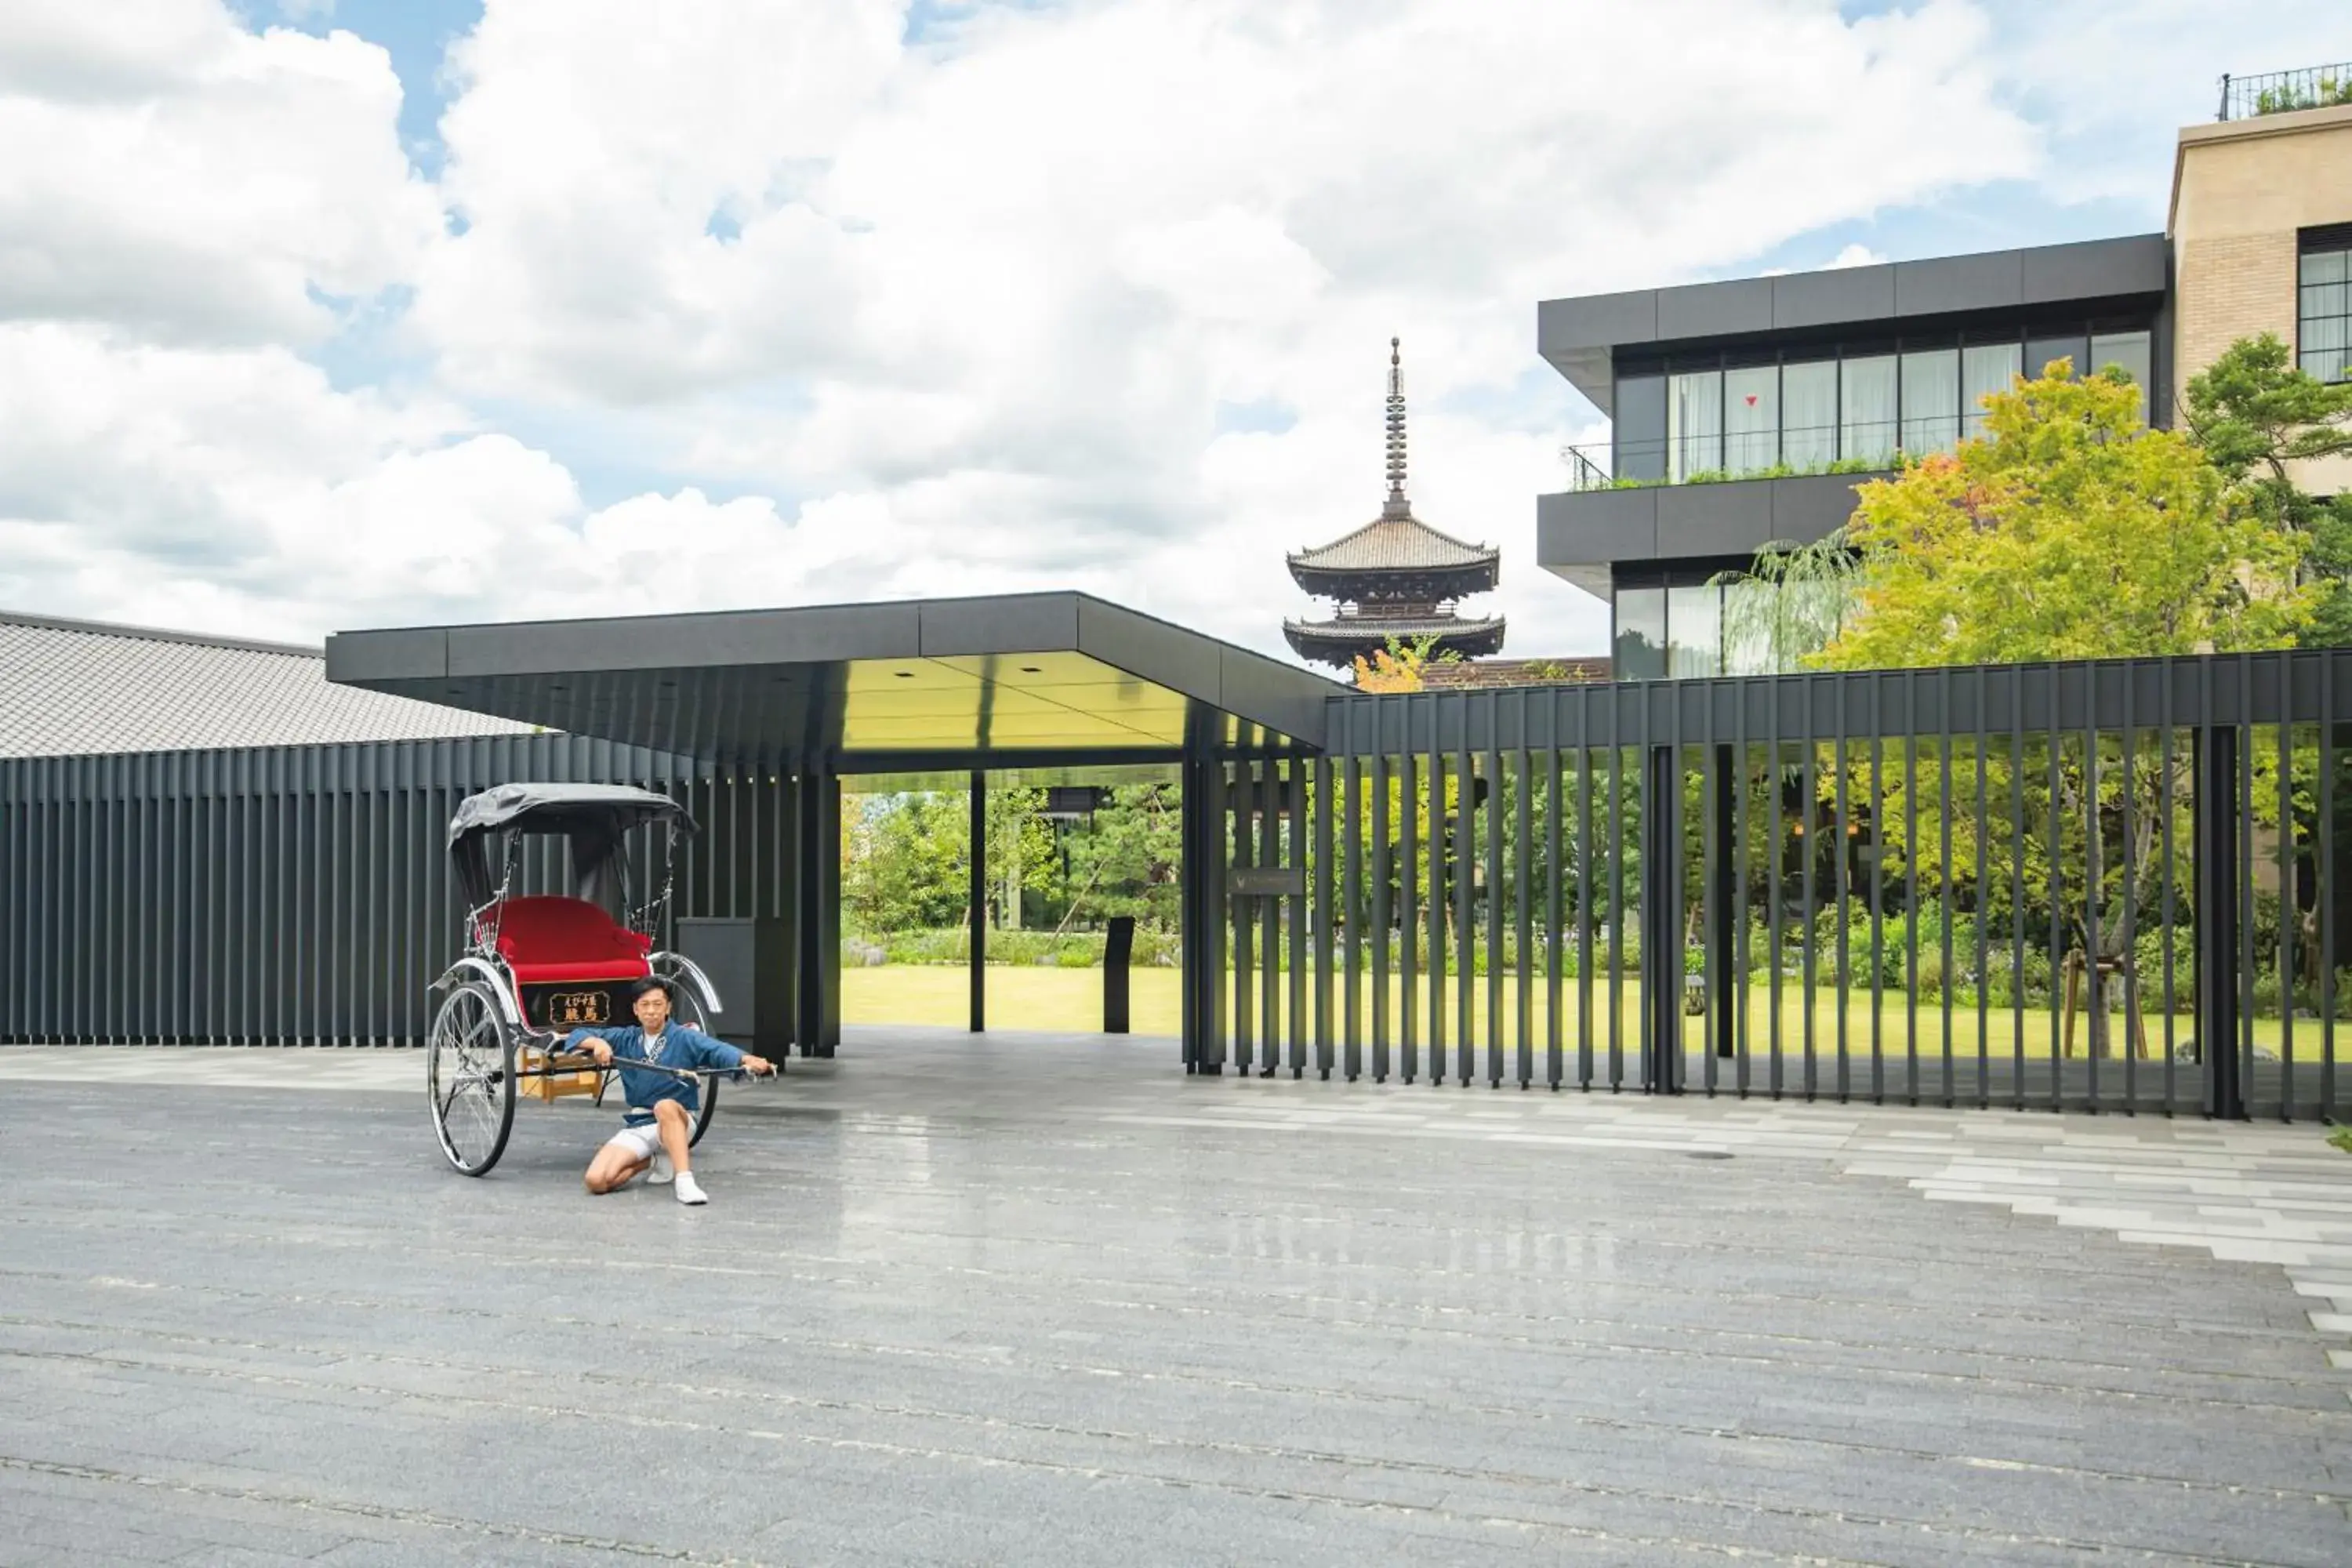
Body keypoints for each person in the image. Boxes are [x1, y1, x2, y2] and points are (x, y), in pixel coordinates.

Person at [565, 978, 772, 1204]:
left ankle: (684, 1181)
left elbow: (718, 1050)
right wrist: (597, 1043)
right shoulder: (626, 1038)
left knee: (664, 1106)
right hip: (640, 1122)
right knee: (597, 1181)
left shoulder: (684, 1037)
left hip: (678, 1120)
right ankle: (652, 1161)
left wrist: (748, 1059)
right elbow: (578, 1034)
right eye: (645, 1005)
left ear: (668, 1007)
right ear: (635, 1009)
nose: (652, 1011)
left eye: (658, 1004)